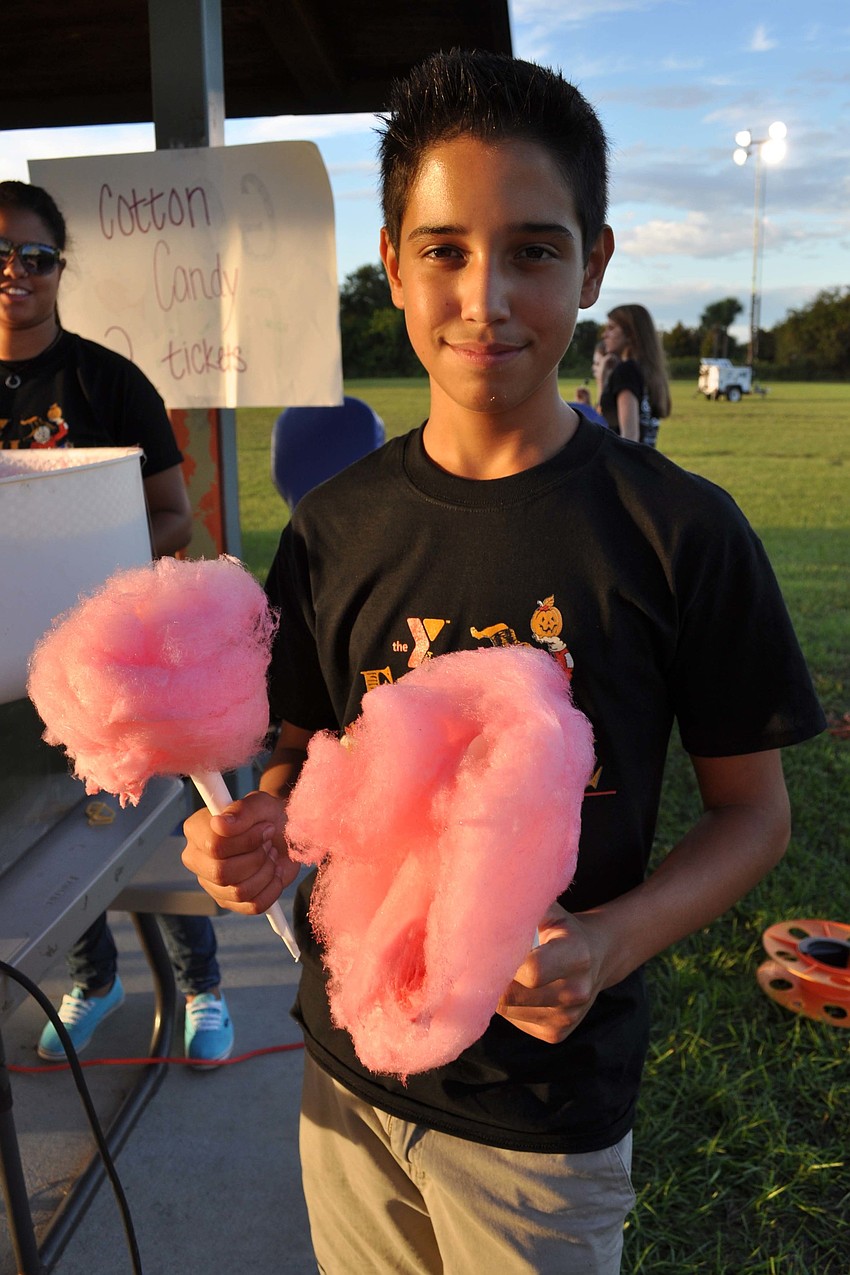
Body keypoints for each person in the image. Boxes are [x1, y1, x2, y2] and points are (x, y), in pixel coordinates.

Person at [181, 50, 825, 1273]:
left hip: (544, 1119)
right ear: (391, 263)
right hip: (351, 1071)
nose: (486, 298)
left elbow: (754, 818)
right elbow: (297, 754)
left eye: (533, 250)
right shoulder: (335, 527)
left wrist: (606, 943)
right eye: (444, 251)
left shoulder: (678, 533)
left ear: (595, 266)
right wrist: (255, 833)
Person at [0, 180, 234, 1067]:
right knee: (41, 843)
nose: (14, 273)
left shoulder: (106, 378)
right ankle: (93, 978)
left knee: (147, 815)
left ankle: (201, 984)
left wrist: (99, 583)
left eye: (35, 256)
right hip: (4, 671)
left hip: (104, 654)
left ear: (61, 267)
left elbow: (171, 515)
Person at [600, 304, 669, 447]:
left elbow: (629, 436)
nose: (604, 334)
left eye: (611, 328)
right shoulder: (648, 372)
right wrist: (603, 379)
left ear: (630, 334)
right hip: (645, 465)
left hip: (624, 465)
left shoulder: (626, 371)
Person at [592, 338, 618, 408]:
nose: (593, 368)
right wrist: (586, 406)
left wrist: (602, 383)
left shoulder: (619, 395)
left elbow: (601, 417)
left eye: (597, 364)